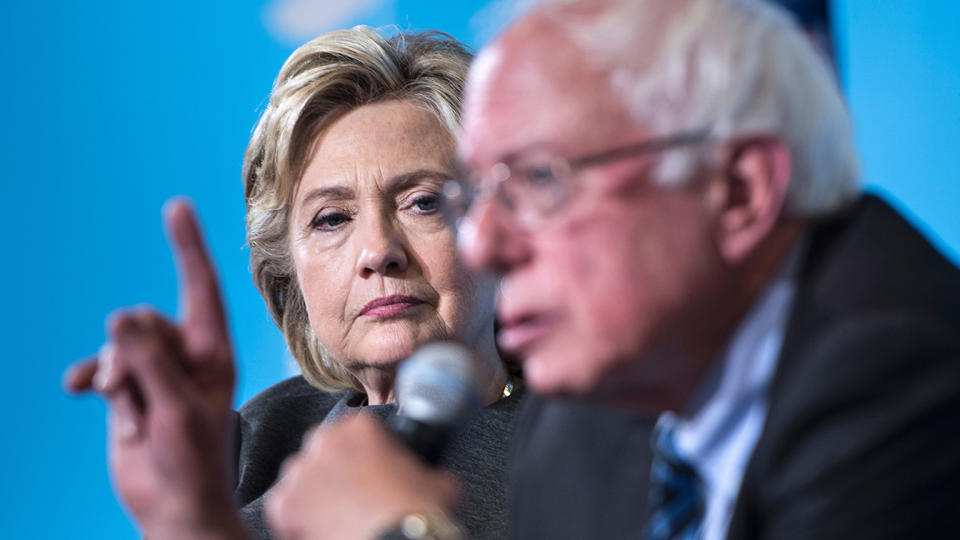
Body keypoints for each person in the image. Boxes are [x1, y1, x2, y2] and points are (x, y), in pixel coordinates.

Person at [263, 1, 960, 539]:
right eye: (485, 194)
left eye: (540, 179)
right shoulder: (584, 426)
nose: (486, 244)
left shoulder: (905, 383)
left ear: (740, 190)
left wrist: (402, 531)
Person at [64, 27, 523, 540]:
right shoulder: (255, 443)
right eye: (331, 219)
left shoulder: (603, 439)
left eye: (423, 202)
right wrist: (188, 523)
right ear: (291, 272)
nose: (378, 251)